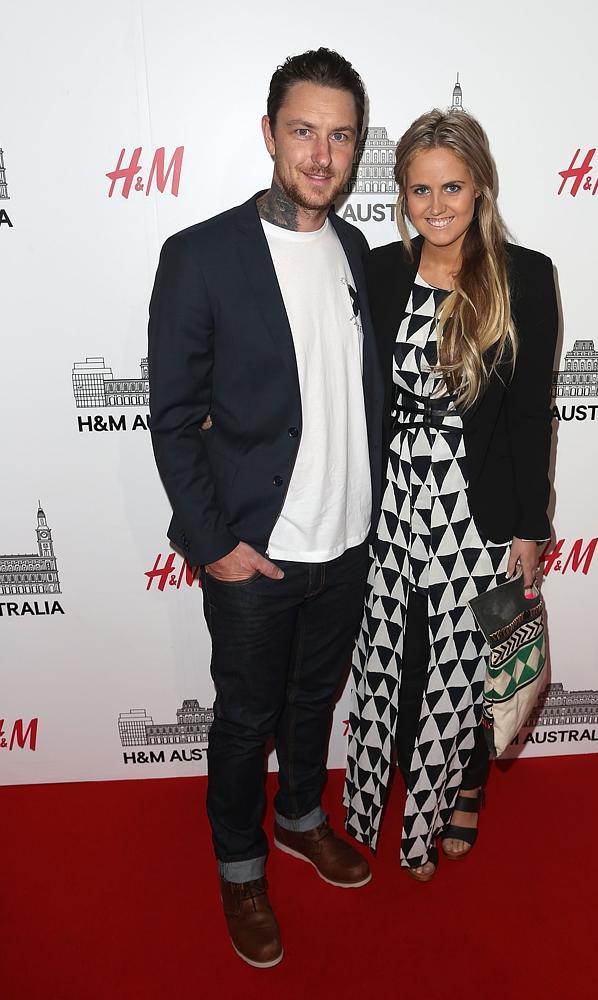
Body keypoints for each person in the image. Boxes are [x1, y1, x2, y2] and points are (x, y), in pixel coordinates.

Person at [148, 48, 383, 968]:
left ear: (356, 147)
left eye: (340, 135)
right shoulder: (201, 255)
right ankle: (241, 866)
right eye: (303, 131)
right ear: (268, 135)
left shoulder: (358, 251)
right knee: (245, 716)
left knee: (315, 698)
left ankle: (298, 818)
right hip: (255, 550)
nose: (322, 155)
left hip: (347, 539)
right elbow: (171, 417)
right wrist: (214, 544)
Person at [344, 109, 558, 880]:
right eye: (419, 189)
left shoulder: (525, 275)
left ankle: (463, 787)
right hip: (392, 497)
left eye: (453, 187)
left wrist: (531, 526)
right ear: (401, 192)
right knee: (394, 659)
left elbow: (533, 412)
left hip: (477, 505)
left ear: (481, 187)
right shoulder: (379, 268)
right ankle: (387, 796)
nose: (436, 206)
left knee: (465, 662)